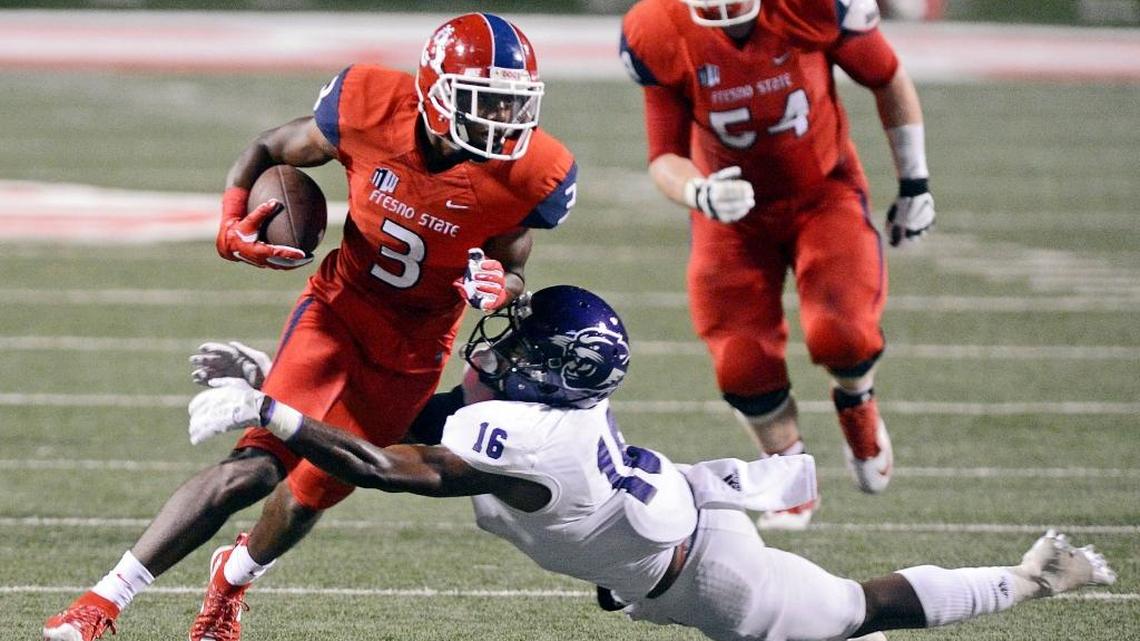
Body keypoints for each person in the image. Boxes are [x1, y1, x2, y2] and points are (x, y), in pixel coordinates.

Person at [43, 12, 578, 641]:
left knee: (311, 492)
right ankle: (101, 603)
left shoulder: (533, 171)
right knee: (258, 466)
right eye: (485, 102)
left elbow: (512, 265)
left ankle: (231, 581)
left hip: (415, 346)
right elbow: (269, 147)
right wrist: (231, 220)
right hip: (338, 308)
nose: (502, 122)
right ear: (434, 93)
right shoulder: (369, 105)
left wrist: (498, 286)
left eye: (514, 105)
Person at [186, 285, 1115, 641]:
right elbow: (385, 419)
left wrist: (274, 411)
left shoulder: (530, 434)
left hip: (709, 579)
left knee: (850, 613)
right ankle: (1022, 578)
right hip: (668, 522)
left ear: (552, 373)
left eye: (519, 340)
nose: (496, 344)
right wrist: (287, 384)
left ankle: (1029, 579)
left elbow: (384, 465)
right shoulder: (538, 408)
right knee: (845, 615)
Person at [618, 0, 938, 528]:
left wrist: (915, 181)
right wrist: (698, 191)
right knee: (741, 363)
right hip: (731, 211)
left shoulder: (811, 7)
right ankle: (789, 477)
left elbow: (886, 75)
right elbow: (663, 156)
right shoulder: (658, 27)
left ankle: (857, 403)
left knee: (844, 334)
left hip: (822, 190)